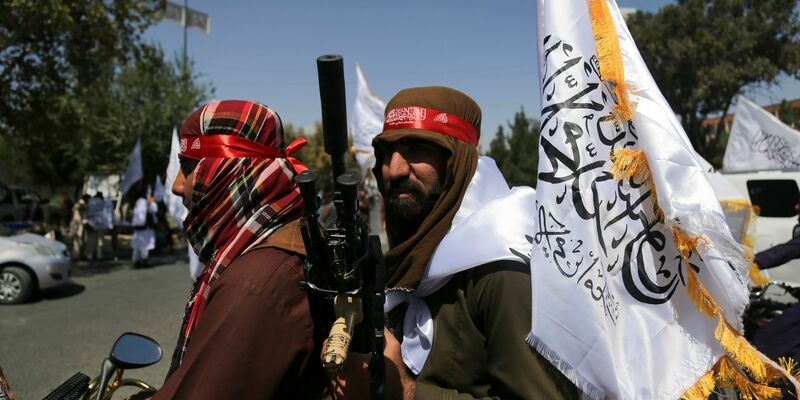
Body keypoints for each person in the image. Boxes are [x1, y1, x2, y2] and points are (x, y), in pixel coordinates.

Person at [336, 87, 577, 399]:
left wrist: (408, 392)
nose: (393, 170)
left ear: (456, 163)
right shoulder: (411, 256)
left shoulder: (503, 269)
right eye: (386, 154)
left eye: (418, 149)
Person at [152, 99, 330, 399]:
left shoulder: (254, 283)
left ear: (225, 170)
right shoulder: (284, 237)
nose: (177, 185)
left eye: (187, 167)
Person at [130, 193, 157, 268]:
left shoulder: (138, 202)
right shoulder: (146, 203)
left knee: (137, 245)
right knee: (145, 244)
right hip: (146, 228)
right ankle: (144, 260)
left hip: (138, 227)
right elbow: (154, 209)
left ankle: (136, 260)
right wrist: (152, 202)